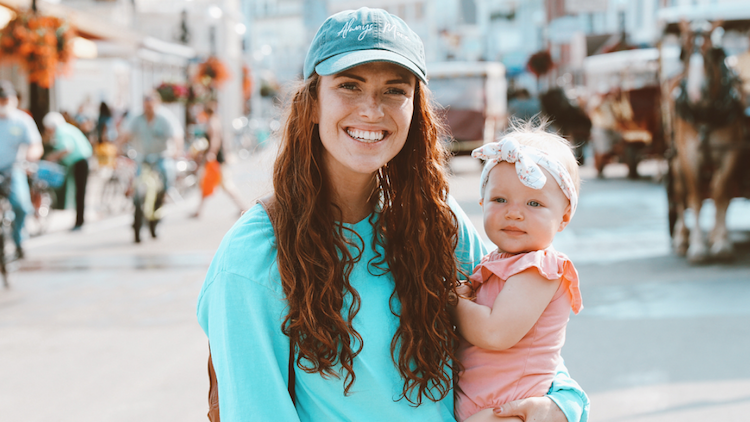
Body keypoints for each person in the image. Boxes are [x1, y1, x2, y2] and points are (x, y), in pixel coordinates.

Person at [197, 8, 589, 422]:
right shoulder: (254, 256)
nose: (371, 110)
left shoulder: (436, 222)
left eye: (394, 90)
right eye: (349, 86)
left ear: (415, 109)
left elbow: (519, 335)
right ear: (312, 103)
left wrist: (560, 404)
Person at [451, 124, 583, 422]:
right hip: (484, 406)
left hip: (508, 409)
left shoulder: (538, 269)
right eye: (500, 200)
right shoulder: (496, 263)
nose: (514, 212)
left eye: (534, 203)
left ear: (563, 217)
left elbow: (494, 333)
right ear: (482, 203)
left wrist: (452, 300)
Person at [116, 93, 182, 241]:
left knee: (167, 174)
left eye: (151, 106)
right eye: (146, 106)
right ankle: (136, 211)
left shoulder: (165, 118)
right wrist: (118, 148)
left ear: (157, 104)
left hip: (161, 156)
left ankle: (164, 196)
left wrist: (177, 150)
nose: (148, 109)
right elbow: (125, 135)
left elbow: (177, 136)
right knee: (136, 183)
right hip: (142, 157)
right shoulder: (136, 118)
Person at [0, 81, 43, 259]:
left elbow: (35, 145)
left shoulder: (22, 120)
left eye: (6, 99)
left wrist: (31, 156)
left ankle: (18, 241)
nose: (3, 103)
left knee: (22, 206)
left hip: (13, 168)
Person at [191, 101, 245, 218]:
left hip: (216, 160)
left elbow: (215, 140)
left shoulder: (212, 122)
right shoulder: (214, 120)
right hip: (217, 159)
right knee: (207, 183)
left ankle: (243, 207)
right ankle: (199, 210)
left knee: (224, 184)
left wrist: (211, 154)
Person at [42, 112, 93, 231]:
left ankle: (79, 221)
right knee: (80, 192)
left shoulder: (61, 131)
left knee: (80, 192)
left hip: (80, 161)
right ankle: (79, 220)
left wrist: (52, 157)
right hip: (82, 160)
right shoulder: (67, 128)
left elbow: (67, 148)